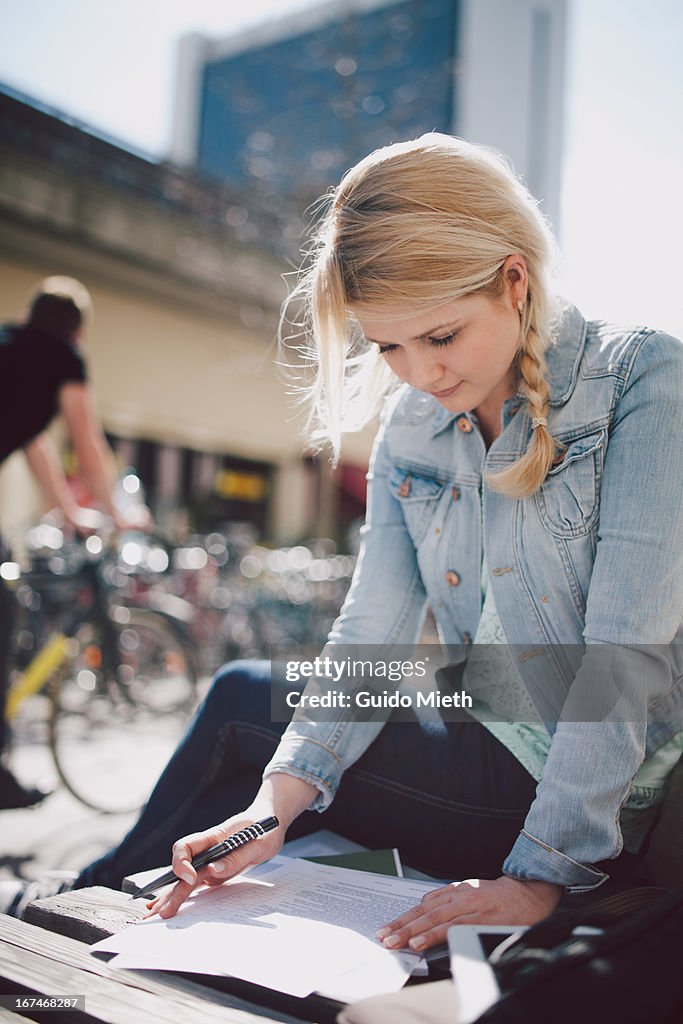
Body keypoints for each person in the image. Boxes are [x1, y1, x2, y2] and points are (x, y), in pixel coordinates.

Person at [10, 135, 683, 945]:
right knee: (252, 701)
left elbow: (622, 655)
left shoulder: (644, 382)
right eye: (387, 346)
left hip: (585, 793)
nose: (420, 376)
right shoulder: (413, 424)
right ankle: (107, 912)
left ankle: (74, 912)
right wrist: (274, 806)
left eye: (439, 336)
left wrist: (539, 875)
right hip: (484, 713)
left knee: (235, 709)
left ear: (514, 281)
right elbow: (370, 631)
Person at [0, 276, 149, 809]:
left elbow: (36, 442)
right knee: (3, 615)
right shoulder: (62, 358)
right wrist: (117, 512)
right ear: (78, 333)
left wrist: (71, 512)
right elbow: (85, 440)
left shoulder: (12, 346)